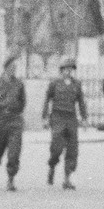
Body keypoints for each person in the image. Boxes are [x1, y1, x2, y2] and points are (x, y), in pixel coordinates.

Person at [42, 56, 88, 189]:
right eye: (66, 69)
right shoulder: (54, 83)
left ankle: (67, 179)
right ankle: (52, 165)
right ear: (61, 70)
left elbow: (81, 102)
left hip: (71, 118)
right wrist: (44, 117)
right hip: (57, 117)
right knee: (56, 147)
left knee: (72, 149)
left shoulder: (76, 84)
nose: (68, 71)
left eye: (71, 69)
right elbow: (47, 99)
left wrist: (84, 118)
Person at [0, 53, 27, 191]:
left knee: (14, 151)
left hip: (14, 121)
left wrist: (14, 112)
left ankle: (10, 179)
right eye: (10, 67)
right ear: (5, 68)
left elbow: (23, 102)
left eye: (14, 67)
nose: (13, 69)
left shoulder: (19, 84)